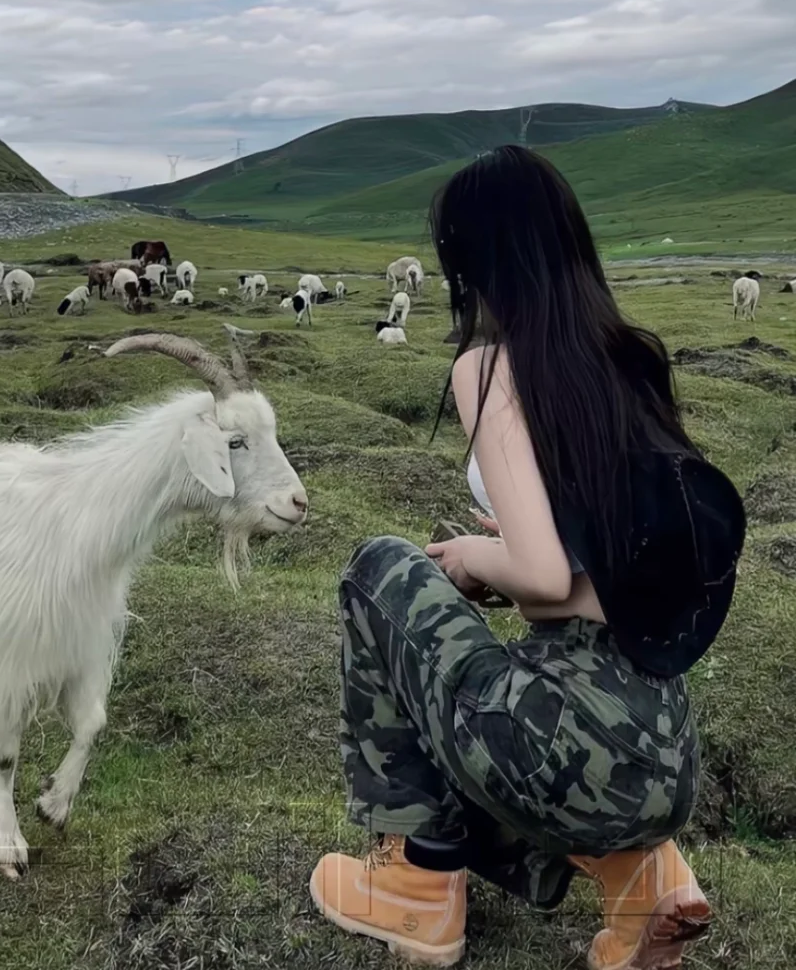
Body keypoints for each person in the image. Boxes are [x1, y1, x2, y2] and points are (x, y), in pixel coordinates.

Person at [309, 145, 744, 969]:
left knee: (378, 571)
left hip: (563, 744)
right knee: (518, 693)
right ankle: (639, 878)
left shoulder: (491, 365)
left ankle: (418, 883)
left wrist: (480, 554)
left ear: (471, 258)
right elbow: (609, 581)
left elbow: (543, 580)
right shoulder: (630, 360)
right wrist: (514, 559)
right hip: (666, 762)